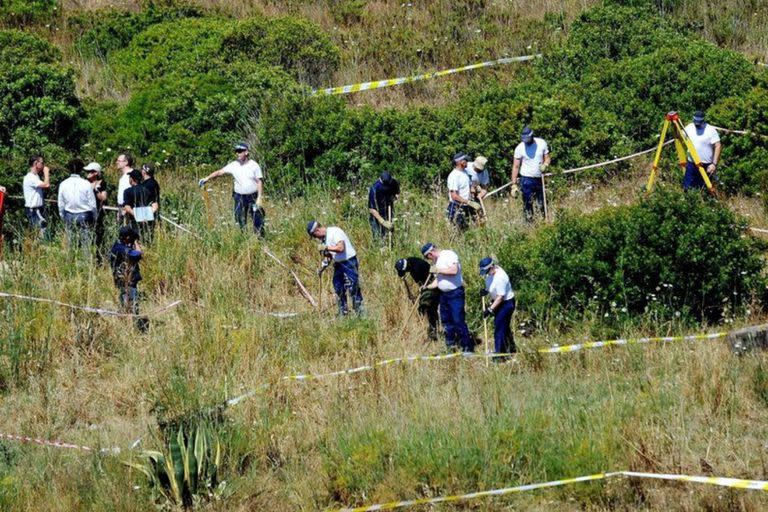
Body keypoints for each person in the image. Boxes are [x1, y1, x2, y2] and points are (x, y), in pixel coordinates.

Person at [198, 142, 265, 237]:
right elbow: (219, 172)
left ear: (246, 152)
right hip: (239, 196)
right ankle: (243, 237)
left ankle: (260, 239)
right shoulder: (233, 165)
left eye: (240, 151)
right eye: (236, 151)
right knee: (239, 218)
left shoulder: (254, 165)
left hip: (253, 196)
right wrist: (207, 178)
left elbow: (259, 181)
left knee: (256, 218)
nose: (237, 153)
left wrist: (259, 197)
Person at [421, 242, 473, 352]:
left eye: (427, 257)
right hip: (443, 295)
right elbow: (438, 280)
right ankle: (451, 346)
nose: (428, 259)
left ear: (430, 253)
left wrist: (438, 270)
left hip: (455, 294)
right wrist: (426, 287)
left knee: (458, 320)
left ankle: (467, 347)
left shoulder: (448, 255)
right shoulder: (435, 262)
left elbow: (454, 270)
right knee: (446, 321)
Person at [307, 220, 363, 316]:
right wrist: (322, 267)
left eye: (315, 236)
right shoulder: (324, 239)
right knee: (338, 286)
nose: (316, 238)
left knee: (353, 286)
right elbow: (329, 256)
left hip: (349, 261)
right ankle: (343, 311)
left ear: (317, 231)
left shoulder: (335, 232)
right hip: (338, 264)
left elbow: (341, 248)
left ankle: (359, 310)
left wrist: (326, 247)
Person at [109, 226, 146, 330]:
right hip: (126, 281)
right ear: (128, 237)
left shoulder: (118, 245)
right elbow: (138, 254)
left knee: (125, 303)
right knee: (131, 305)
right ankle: (134, 328)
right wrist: (136, 243)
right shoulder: (121, 249)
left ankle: (125, 326)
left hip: (125, 280)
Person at [511, 126, 551, 222]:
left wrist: (545, 164)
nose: (526, 141)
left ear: (532, 136)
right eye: (524, 139)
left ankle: (542, 222)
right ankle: (529, 223)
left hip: (539, 178)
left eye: (528, 139)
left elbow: (548, 158)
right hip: (526, 179)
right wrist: (514, 184)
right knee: (527, 203)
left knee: (541, 203)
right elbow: (515, 166)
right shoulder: (519, 148)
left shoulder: (542, 143)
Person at [479, 257, 516, 358]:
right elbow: (492, 287)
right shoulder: (490, 274)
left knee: (499, 328)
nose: (486, 273)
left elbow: (500, 297)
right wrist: (486, 291)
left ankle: (500, 355)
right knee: (504, 328)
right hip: (498, 303)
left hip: (506, 304)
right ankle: (511, 350)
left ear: (492, 267)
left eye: (486, 271)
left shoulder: (500, 277)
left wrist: (490, 309)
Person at [395, 257, 440, 341]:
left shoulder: (417, 266)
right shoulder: (410, 265)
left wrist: (424, 289)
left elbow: (428, 277)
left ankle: (433, 331)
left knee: (425, 306)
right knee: (429, 310)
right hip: (425, 286)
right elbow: (420, 282)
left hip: (432, 284)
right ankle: (433, 331)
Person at [58, 158, 97, 253]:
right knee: (86, 242)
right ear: (81, 170)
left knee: (69, 241)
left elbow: (61, 203)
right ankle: (87, 263)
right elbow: (92, 203)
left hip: (69, 214)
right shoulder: (86, 183)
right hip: (85, 214)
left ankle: (68, 262)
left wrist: (62, 215)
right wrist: (94, 216)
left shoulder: (63, 184)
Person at [683, 110, 722, 191]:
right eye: (696, 122)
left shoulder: (710, 130)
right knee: (687, 188)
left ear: (703, 120)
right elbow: (679, 135)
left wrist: (714, 164)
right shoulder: (689, 127)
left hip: (706, 165)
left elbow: (718, 146)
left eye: (699, 122)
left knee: (705, 190)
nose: (697, 124)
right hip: (692, 164)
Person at [446, 152, 480, 230]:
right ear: (461, 162)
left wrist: (474, 188)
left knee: (468, 229)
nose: (467, 162)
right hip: (456, 207)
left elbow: (468, 186)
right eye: (466, 160)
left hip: (466, 206)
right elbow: (454, 196)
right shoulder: (454, 176)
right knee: (457, 232)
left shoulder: (465, 173)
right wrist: (468, 202)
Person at [123, 169, 157, 242]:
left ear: (131, 179)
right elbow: (155, 205)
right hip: (147, 221)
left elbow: (127, 207)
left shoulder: (127, 191)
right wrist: (148, 214)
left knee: (134, 241)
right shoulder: (147, 190)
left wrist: (137, 215)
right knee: (146, 240)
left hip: (133, 221)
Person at [85, 162, 108, 264]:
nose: (88, 173)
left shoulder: (101, 183)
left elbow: (104, 198)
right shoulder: (84, 183)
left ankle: (99, 258)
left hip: (98, 213)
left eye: (91, 171)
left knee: (98, 235)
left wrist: (96, 190)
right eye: (88, 171)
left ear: (96, 173)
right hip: (86, 212)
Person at [22, 155, 51, 236]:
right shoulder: (30, 177)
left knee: (40, 232)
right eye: (42, 163)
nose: (43, 165)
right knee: (41, 232)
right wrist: (46, 173)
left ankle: (37, 247)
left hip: (37, 209)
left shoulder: (35, 176)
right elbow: (46, 185)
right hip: (34, 210)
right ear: (35, 163)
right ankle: (38, 248)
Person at [368, 171, 400, 241]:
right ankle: (380, 249)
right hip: (376, 216)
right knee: (378, 237)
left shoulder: (393, 182)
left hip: (388, 210)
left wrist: (394, 198)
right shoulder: (374, 188)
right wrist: (383, 222)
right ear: (380, 180)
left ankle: (391, 247)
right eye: (385, 185)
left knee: (389, 233)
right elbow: (372, 209)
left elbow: (397, 192)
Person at [115, 152, 135, 219]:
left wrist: (126, 208)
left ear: (126, 162)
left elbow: (134, 193)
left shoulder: (132, 175)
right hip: (122, 208)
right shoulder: (123, 177)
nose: (116, 162)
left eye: (118, 161)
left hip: (128, 209)